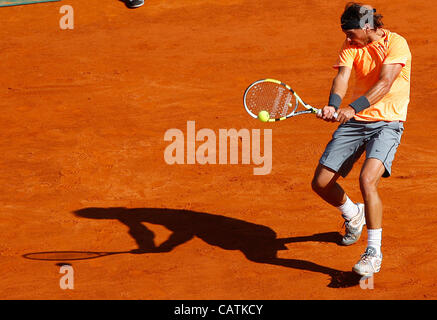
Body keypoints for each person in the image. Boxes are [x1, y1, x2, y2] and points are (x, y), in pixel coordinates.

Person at [312, 2, 411, 276]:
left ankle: (373, 252)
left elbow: (385, 83)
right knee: (320, 183)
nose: (346, 37)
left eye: (350, 32)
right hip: (357, 123)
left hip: (388, 122)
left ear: (367, 27)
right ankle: (354, 214)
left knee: (367, 179)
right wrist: (333, 104)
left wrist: (351, 108)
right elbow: (342, 77)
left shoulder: (396, 43)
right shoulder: (350, 46)